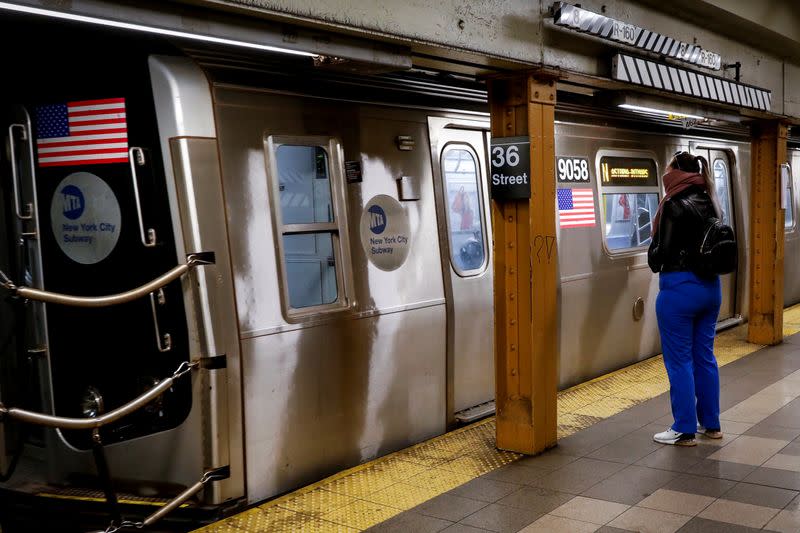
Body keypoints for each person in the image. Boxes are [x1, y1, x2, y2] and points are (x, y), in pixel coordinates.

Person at [647, 151, 725, 446]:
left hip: (679, 290)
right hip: (710, 290)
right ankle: (712, 424)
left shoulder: (674, 205)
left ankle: (684, 428)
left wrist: (651, 249)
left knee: (679, 361)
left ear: (675, 173)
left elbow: (660, 256)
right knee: (705, 357)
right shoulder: (711, 202)